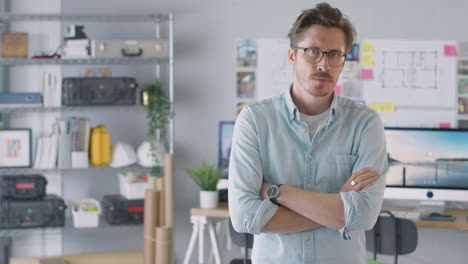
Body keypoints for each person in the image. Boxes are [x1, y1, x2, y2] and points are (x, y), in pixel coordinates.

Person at [228, 3, 388, 263]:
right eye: (313, 52)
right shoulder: (255, 120)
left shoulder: (365, 124)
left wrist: (277, 193)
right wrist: (336, 210)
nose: (324, 64)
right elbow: (245, 217)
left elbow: (363, 217)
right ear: (292, 56)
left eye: (335, 54)